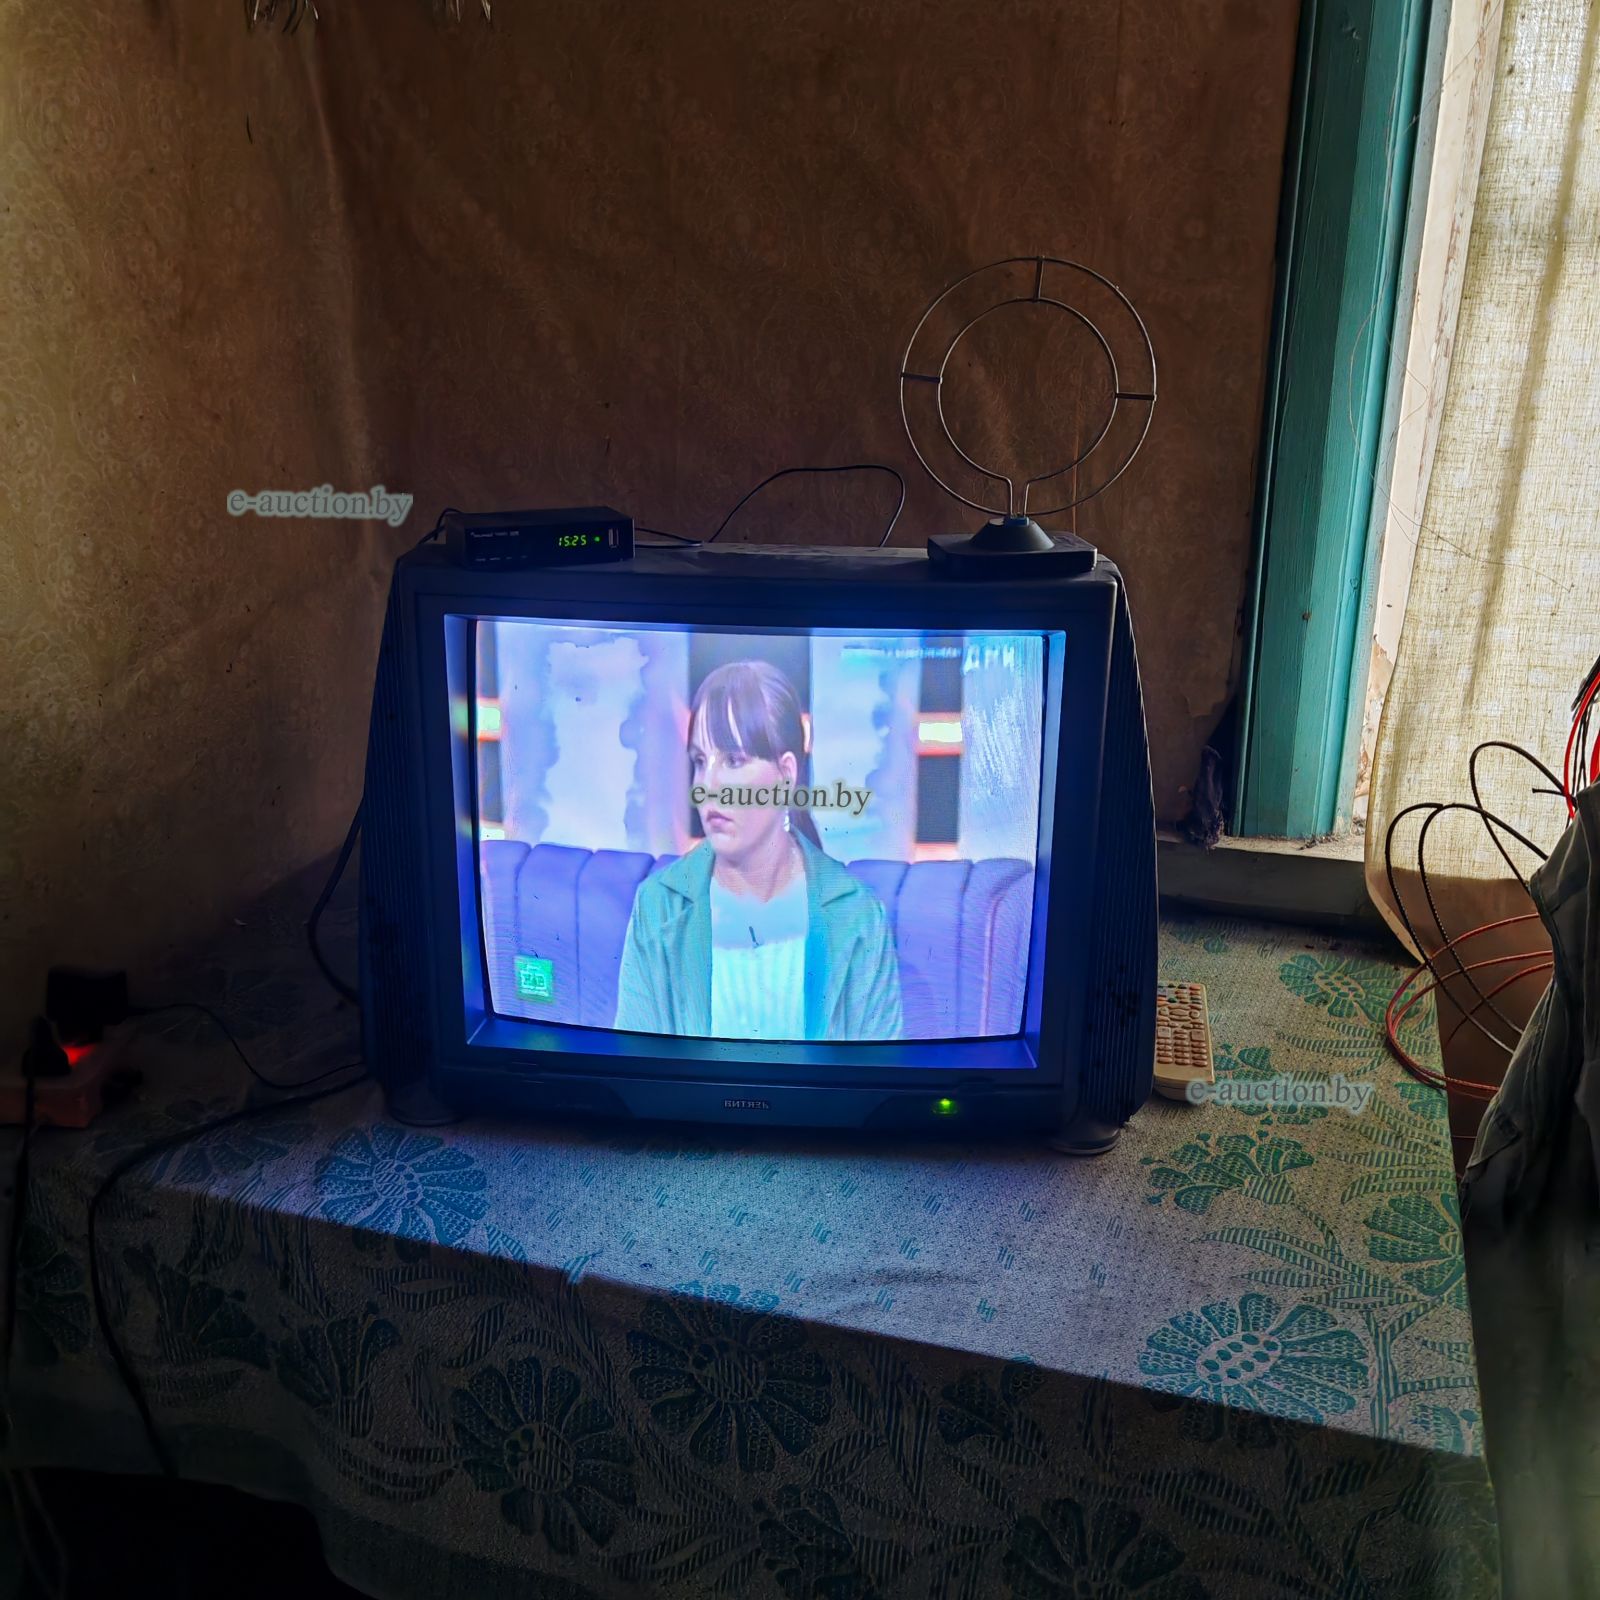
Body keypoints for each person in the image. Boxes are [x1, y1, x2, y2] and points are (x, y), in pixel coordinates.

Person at [614, 660, 902, 1041]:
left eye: (733, 760)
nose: (708, 785)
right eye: (700, 761)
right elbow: (636, 1065)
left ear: (786, 775)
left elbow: (878, 1071)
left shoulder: (859, 916)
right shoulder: (658, 906)